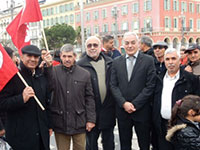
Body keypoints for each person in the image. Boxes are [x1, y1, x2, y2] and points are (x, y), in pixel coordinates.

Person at [43, 43, 96, 150]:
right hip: (60, 122)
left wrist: (91, 119)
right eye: (64, 56)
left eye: (70, 56)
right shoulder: (53, 71)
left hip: (79, 121)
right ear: (61, 56)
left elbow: (89, 98)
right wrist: (47, 68)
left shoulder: (84, 74)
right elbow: (49, 87)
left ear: (75, 57)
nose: (67, 59)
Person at [0, 45, 52, 150]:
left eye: (36, 56)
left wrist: (49, 125)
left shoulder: (40, 76)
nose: (33, 59)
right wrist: (21, 98)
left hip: (41, 136)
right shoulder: (13, 77)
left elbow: (47, 102)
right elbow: (2, 104)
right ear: (22, 57)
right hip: (21, 138)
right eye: (29, 56)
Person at [110, 32, 156, 150]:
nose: (130, 46)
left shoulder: (148, 60)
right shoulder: (116, 62)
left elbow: (150, 85)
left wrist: (135, 104)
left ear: (139, 44)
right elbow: (113, 85)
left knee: (144, 144)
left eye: (133, 43)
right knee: (124, 145)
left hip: (142, 111)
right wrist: (124, 103)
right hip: (122, 112)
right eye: (127, 43)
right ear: (122, 44)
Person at [152, 48, 200, 150]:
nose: (170, 62)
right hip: (162, 126)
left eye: (173, 59)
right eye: (167, 59)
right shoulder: (157, 78)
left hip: (182, 129)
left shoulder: (190, 79)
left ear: (179, 60)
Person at [77, 36, 116, 150]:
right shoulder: (80, 65)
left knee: (109, 143)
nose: (92, 48)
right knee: (91, 144)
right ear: (86, 48)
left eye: (95, 45)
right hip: (90, 113)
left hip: (108, 110)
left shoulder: (110, 62)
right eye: (89, 45)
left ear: (100, 47)